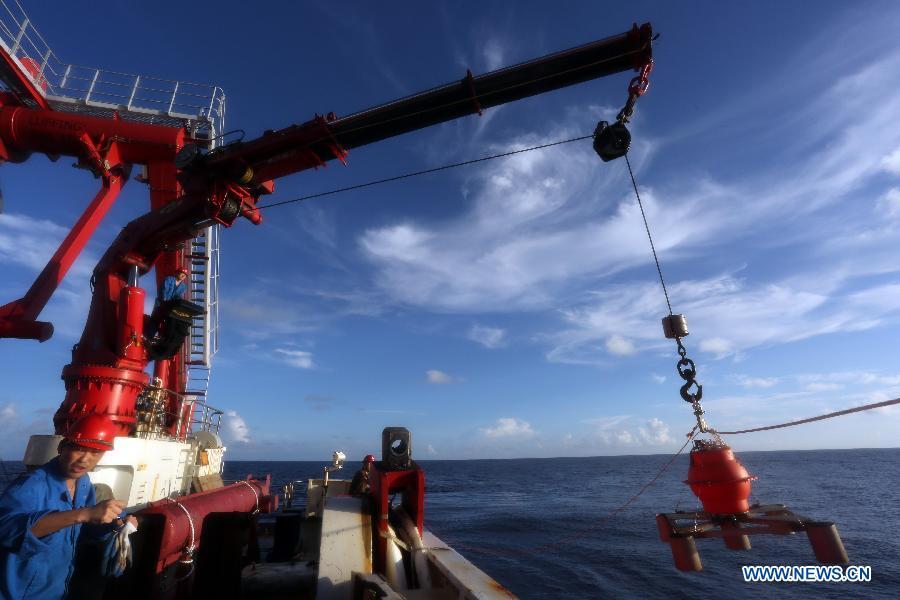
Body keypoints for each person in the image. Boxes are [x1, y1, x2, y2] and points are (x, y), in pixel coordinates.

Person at [0, 414, 134, 599]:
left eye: (95, 452)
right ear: (62, 447)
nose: (84, 459)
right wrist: (84, 514)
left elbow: (84, 531)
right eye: (79, 449)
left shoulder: (83, 483)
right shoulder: (31, 485)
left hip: (57, 590)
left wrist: (113, 525)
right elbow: (6, 531)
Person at [146, 266, 188, 338]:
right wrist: (164, 302)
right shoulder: (169, 279)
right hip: (160, 302)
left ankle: (161, 339)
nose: (183, 275)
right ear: (177, 273)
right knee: (156, 319)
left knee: (169, 322)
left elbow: (178, 296)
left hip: (170, 305)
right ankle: (148, 336)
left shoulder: (184, 287)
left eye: (185, 275)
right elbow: (164, 291)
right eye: (182, 273)